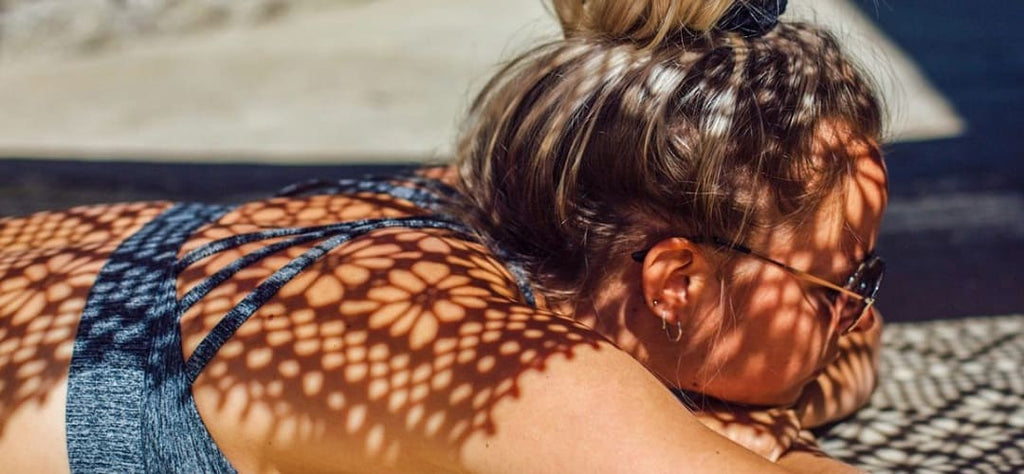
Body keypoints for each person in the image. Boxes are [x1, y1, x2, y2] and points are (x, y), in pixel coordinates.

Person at [0, 0, 888, 472]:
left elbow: (854, 357)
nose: (858, 317)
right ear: (675, 284)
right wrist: (761, 440)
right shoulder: (521, 378)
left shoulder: (489, 207)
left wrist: (739, 406)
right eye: (841, 285)